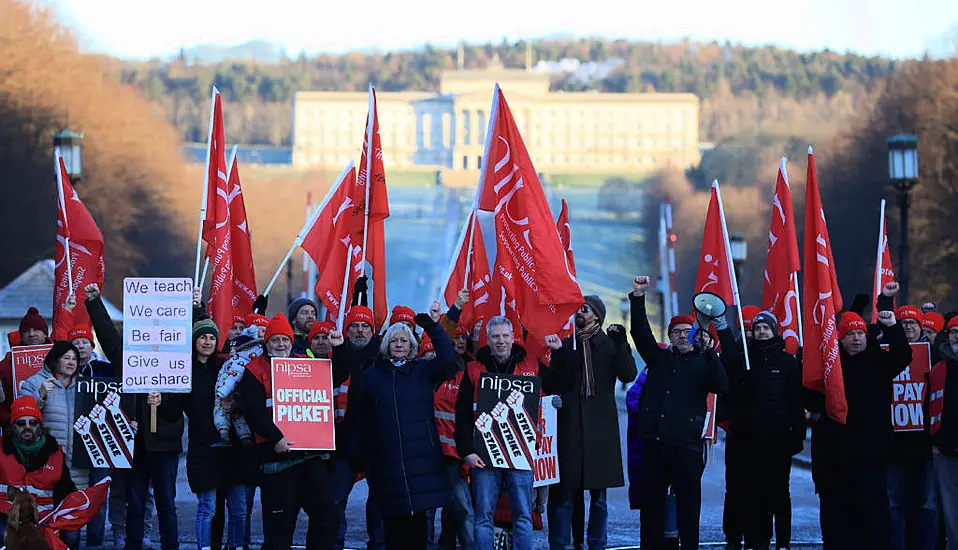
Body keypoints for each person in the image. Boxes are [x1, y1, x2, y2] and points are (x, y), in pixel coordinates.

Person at [337, 312, 457, 549]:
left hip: (421, 463)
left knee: (418, 530)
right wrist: (360, 456)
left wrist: (434, 328)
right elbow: (360, 417)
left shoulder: (423, 370)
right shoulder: (371, 376)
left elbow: (448, 361)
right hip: (386, 464)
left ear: (412, 345)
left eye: (404, 340)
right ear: (386, 346)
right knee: (392, 528)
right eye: (394, 341)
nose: (399, 344)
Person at [628, 275, 729, 550]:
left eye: (688, 331)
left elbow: (721, 385)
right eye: (677, 332)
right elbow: (640, 334)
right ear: (670, 337)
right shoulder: (660, 358)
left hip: (686, 447)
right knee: (651, 509)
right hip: (655, 444)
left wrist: (709, 353)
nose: (683, 336)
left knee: (688, 510)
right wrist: (638, 298)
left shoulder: (703, 361)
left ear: (696, 336)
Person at [810, 282, 912, 550]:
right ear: (840, 339)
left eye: (860, 334)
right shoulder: (831, 367)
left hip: (870, 452)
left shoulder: (876, 361)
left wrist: (890, 324)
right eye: (850, 334)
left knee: (873, 513)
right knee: (839, 515)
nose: (856, 338)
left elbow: (903, 355)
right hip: (837, 454)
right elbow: (810, 397)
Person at [454, 316, 571, 550]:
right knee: (483, 516)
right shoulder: (474, 369)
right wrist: (466, 451)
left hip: (521, 455)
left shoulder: (531, 364)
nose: (500, 341)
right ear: (488, 339)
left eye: (505, 336)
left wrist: (559, 352)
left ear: (512, 338)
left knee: (523, 516)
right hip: (484, 456)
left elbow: (561, 383)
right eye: (495, 336)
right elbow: (462, 414)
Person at [241, 313, 340, 550]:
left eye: (285, 340)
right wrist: (276, 438)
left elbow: (338, 374)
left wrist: (340, 349)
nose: (281, 345)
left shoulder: (303, 363)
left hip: (309, 456)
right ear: (267, 343)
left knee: (327, 517)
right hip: (277, 458)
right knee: (279, 527)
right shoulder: (254, 371)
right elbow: (253, 412)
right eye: (275, 340)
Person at [548, 295, 637, 550]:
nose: (580, 313)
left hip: (601, 431)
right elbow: (557, 381)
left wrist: (622, 345)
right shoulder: (566, 346)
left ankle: (597, 543)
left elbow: (627, 374)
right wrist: (560, 355)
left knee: (598, 498)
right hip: (571, 428)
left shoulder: (609, 345)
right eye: (577, 309)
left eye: (585, 309)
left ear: (597, 315)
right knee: (566, 494)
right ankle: (564, 543)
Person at [717, 311, 805, 550]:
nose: (762, 332)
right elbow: (728, 382)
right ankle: (756, 539)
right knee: (753, 491)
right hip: (749, 439)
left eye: (766, 328)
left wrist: (797, 435)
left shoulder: (787, 362)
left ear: (774, 331)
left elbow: (795, 402)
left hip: (778, 439)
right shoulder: (745, 360)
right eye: (758, 329)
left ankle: (783, 541)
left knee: (778, 491)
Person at [165, 317, 251, 550]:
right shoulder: (183, 371)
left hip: (232, 446)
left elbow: (247, 395)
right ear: (194, 341)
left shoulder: (224, 365)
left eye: (212, 337)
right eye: (203, 337)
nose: (207, 341)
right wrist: (159, 399)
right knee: (207, 507)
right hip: (203, 446)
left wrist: (237, 404)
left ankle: (235, 546)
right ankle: (204, 547)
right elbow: (173, 411)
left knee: (239, 508)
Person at [329, 305, 385, 550]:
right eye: (354, 326)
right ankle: (334, 543)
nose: (360, 331)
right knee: (335, 500)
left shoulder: (383, 359)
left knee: (380, 502)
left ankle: (379, 544)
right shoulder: (337, 357)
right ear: (346, 330)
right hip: (344, 443)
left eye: (365, 326)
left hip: (377, 444)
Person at [885, 305, 939, 550]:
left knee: (928, 504)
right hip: (894, 445)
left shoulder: (934, 354)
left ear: (921, 327)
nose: (907, 326)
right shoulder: (885, 353)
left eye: (912, 323)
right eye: (902, 322)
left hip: (925, 444)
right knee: (894, 502)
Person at [0, 396, 80, 546]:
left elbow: (67, 492)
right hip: (6, 515)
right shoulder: (1, 450)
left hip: (44, 517)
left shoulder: (55, 454)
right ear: (12, 427)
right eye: (21, 423)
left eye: (33, 422)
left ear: (40, 426)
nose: (27, 427)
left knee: (71, 534)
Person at [930, 317, 958, 550]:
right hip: (946, 452)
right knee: (951, 518)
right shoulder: (939, 368)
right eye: (953, 331)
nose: (957, 336)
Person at [0, 307, 51, 424]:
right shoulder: (6, 365)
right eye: (27, 331)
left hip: (53, 423)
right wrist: (8, 420)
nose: (31, 334)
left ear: (45, 334)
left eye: (36, 330)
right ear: (21, 336)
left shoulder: (59, 358)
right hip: (20, 427)